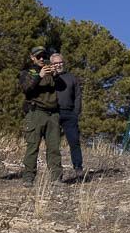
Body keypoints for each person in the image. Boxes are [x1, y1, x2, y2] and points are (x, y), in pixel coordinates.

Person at [18, 46, 64, 185]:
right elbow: (26, 88)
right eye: (38, 56)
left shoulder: (51, 72)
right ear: (32, 57)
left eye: (44, 56)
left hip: (53, 114)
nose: (42, 59)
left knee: (54, 147)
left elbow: (63, 88)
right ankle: (28, 178)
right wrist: (39, 76)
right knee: (32, 147)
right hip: (36, 112)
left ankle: (56, 178)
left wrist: (57, 74)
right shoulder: (27, 72)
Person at [51, 53, 84, 180]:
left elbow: (78, 96)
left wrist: (76, 112)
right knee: (54, 144)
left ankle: (78, 168)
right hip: (54, 113)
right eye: (55, 63)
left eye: (60, 62)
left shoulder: (71, 77)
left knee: (74, 141)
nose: (58, 65)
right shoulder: (49, 78)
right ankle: (56, 173)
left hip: (70, 114)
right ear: (52, 65)